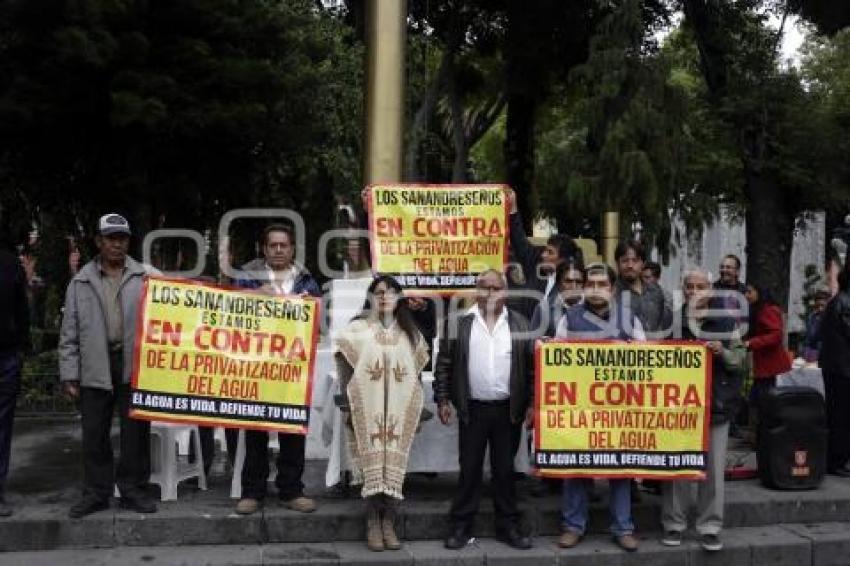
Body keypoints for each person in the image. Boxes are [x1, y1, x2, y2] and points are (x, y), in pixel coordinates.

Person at [59, 213, 158, 518]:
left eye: (122, 238)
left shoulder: (146, 277)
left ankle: (132, 490)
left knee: (135, 433)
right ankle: (96, 493)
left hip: (134, 364)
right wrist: (69, 373)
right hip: (95, 363)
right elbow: (69, 331)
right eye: (111, 238)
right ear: (99, 241)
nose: (117, 244)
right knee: (94, 433)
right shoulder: (81, 281)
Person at [435, 269, 534, 550]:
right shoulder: (459, 323)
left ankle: (508, 527)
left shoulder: (520, 323)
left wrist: (533, 405)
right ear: (476, 292)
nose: (490, 293)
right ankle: (460, 526)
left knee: (505, 471)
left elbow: (531, 369)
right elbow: (444, 365)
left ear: (505, 292)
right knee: (469, 470)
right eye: (484, 287)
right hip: (473, 410)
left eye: (496, 287)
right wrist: (443, 400)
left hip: (508, 411)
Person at [334, 276, 429, 551]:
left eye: (391, 292)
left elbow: (416, 374)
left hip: (399, 411)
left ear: (400, 298)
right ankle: (373, 520)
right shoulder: (358, 329)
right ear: (371, 297)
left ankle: (389, 520)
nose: (384, 297)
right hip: (368, 408)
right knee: (372, 463)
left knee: (394, 466)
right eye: (378, 293)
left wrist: (416, 410)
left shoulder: (410, 333)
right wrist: (349, 405)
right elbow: (344, 365)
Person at [555, 263, 642, 552]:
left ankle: (623, 527)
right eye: (590, 284)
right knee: (576, 465)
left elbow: (648, 362)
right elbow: (553, 361)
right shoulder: (569, 318)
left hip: (618, 409)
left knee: (620, 467)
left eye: (601, 284)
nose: (594, 289)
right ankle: (573, 526)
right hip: (579, 406)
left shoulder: (630, 319)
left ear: (612, 289)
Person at [235, 224, 321, 515]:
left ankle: (291, 491)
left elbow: (320, 324)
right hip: (258, 365)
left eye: (284, 245)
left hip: (293, 367)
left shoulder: (306, 280)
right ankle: (253, 492)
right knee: (256, 429)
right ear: (264, 249)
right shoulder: (247, 277)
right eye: (273, 245)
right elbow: (229, 312)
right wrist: (255, 296)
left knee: (293, 428)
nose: (279, 250)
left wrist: (313, 308)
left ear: (292, 249)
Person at [660, 269, 745, 552]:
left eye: (701, 286)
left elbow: (740, 361)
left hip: (715, 406)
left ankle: (710, 527)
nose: (695, 291)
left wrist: (723, 352)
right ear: (683, 290)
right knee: (678, 468)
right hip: (679, 408)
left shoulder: (726, 321)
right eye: (689, 286)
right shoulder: (672, 320)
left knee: (713, 471)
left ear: (710, 289)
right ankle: (674, 524)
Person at [506, 189, 583, 321]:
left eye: (550, 252)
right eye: (545, 250)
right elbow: (519, 241)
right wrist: (512, 208)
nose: (543, 255)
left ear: (564, 260)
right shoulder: (536, 265)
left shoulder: (575, 281)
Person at [0, 247, 29, 517]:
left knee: (2, 427)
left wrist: (20, 349)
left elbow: (22, 308)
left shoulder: (10, 263)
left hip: (6, 355)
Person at [819, 260, 850, 476]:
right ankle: (837, 460)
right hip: (843, 370)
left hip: (836, 368)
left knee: (836, 414)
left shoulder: (836, 302)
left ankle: (835, 459)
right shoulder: (845, 303)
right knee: (842, 416)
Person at [743, 283, 791, 418]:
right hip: (766, 366)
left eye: (750, 292)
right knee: (758, 401)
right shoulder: (761, 309)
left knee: (763, 402)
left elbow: (776, 336)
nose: (746, 295)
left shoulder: (768, 310)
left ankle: (760, 434)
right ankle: (757, 434)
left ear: (759, 292)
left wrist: (751, 343)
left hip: (770, 367)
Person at [613, 241, 671, 338]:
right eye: (625, 261)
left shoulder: (655, 291)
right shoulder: (612, 293)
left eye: (635, 260)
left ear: (643, 264)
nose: (630, 265)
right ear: (617, 264)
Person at [531, 259, 584, 338]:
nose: (574, 287)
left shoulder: (592, 308)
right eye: (568, 281)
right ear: (558, 284)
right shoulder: (543, 309)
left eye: (578, 282)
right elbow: (533, 343)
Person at [714, 254, 748, 322]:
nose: (724, 270)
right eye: (722, 267)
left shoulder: (745, 291)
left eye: (728, 267)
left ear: (737, 271)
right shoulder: (712, 289)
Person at [802, 285, 830, 362]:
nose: (820, 309)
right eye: (817, 306)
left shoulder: (830, 318)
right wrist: (806, 350)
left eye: (822, 306)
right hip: (811, 355)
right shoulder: (812, 317)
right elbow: (808, 337)